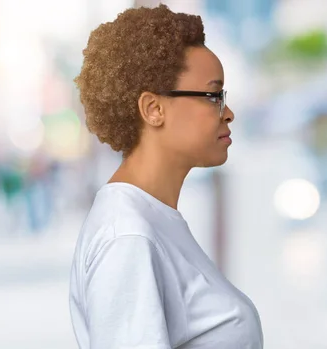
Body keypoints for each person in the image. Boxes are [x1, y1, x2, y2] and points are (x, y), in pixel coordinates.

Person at [68, 5, 264, 349]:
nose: (228, 113)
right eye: (213, 95)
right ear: (153, 109)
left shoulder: (151, 219)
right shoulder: (128, 236)